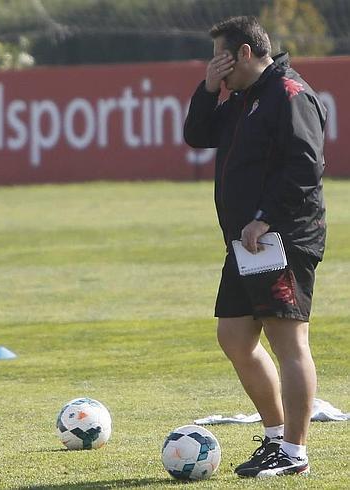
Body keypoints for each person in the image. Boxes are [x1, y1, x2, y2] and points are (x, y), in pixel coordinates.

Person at [184, 16, 327, 478]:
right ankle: (273, 436)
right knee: (235, 337)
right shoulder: (243, 98)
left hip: (281, 239)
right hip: (246, 243)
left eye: (220, 58)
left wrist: (265, 217)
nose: (216, 67)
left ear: (244, 53)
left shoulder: (288, 94)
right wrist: (208, 90)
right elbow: (198, 135)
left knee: (288, 341)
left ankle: (294, 452)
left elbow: (306, 167)